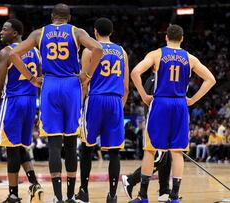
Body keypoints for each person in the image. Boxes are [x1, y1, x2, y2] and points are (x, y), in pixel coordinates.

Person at [9, 4, 103, 203]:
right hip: (71, 85)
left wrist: (31, 78)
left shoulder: (38, 33)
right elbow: (98, 48)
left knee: (53, 143)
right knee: (70, 142)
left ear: (53, 16)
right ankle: (70, 196)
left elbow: (13, 54)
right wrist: (87, 75)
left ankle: (57, 197)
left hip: (50, 85)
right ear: (68, 17)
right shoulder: (77, 32)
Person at [129, 24, 216, 203]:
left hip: (160, 103)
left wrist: (144, 95)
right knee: (177, 152)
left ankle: (143, 196)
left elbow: (135, 72)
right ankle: (174, 197)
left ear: (166, 37)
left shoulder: (156, 54)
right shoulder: (190, 58)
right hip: (179, 105)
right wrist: (192, 100)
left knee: (150, 150)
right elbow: (211, 79)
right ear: (182, 39)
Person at [0, 19, 43, 203]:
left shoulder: (7, 52)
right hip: (31, 102)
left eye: (5, 29)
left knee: (11, 150)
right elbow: (39, 79)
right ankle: (34, 184)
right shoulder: (36, 52)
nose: (1, 32)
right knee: (19, 146)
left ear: (15, 33)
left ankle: (13, 194)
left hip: (14, 101)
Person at [74, 17, 129, 203]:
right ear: (111, 32)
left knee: (87, 148)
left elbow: (84, 82)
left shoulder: (90, 50)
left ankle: (83, 192)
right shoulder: (122, 52)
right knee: (114, 151)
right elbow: (126, 87)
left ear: (95, 32)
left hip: (95, 99)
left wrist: (79, 106)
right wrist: (119, 107)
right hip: (115, 100)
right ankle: (113, 196)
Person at [121, 75, 172, 202]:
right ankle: (131, 180)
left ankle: (164, 191)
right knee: (160, 159)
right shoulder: (153, 80)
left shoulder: (164, 79)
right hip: (156, 124)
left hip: (165, 123)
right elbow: (149, 104)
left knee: (167, 158)